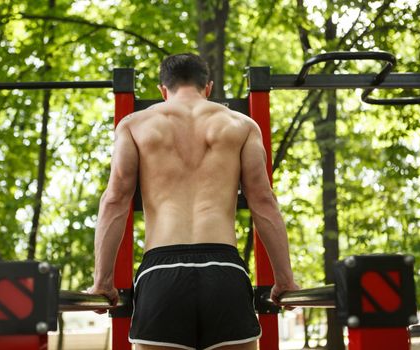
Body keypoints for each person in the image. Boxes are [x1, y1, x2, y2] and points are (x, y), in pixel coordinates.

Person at [89, 53, 299, 350]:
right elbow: (263, 201)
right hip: (224, 269)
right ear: (208, 87)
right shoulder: (242, 125)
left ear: (163, 90)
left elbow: (115, 200)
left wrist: (103, 282)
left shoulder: (134, 125)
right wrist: (285, 280)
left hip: (160, 273)